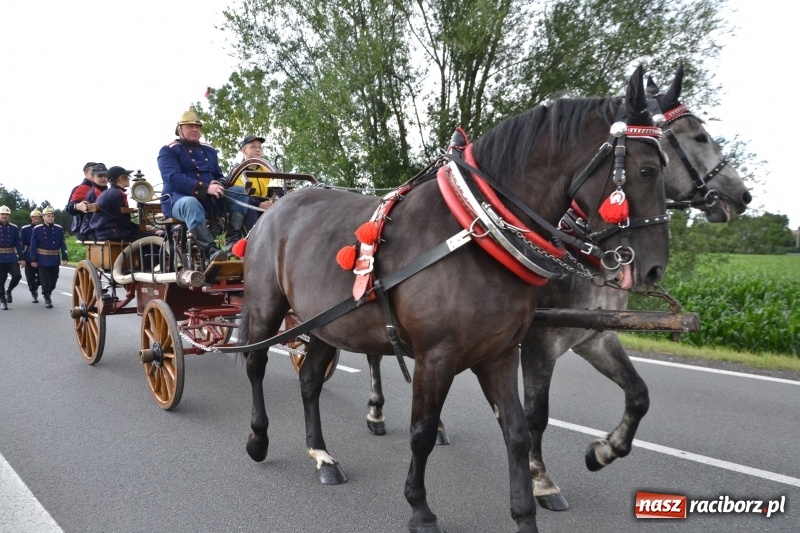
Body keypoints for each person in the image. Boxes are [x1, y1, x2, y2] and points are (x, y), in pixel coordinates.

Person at [157, 108, 226, 261]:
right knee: (191, 203)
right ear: (179, 130)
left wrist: (219, 184)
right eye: (189, 126)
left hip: (209, 200)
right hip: (177, 199)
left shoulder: (209, 151)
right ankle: (210, 251)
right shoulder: (168, 150)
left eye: (197, 126)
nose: (195, 129)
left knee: (239, 192)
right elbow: (173, 178)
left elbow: (219, 176)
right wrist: (206, 187)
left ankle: (233, 244)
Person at [223, 134, 283, 251]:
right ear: (244, 150)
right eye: (253, 147)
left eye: (260, 147)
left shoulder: (268, 169)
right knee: (250, 210)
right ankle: (254, 247)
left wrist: (274, 199)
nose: (257, 149)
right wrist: (258, 204)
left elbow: (279, 189)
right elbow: (241, 196)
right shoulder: (238, 171)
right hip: (249, 205)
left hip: (269, 204)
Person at [90, 166, 157, 241]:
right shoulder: (118, 194)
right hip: (111, 232)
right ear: (120, 179)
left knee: (146, 234)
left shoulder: (109, 192)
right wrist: (139, 228)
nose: (129, 179)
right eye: (127, 177)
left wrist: (140, 228)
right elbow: (122, 221)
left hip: (103, 232)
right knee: (153, 237)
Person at [29, 207, 68, 309]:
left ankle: (47, 291)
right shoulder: (37, 229)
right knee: (45, 279)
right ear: (43, 217)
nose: (51, 218)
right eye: (48, 216)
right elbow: (33, 245)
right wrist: (33, 258)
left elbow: (63, 243)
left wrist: (65, 255)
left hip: (54, 257)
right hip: (42, 258)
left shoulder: (58, 228)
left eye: (52, 216)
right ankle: (47, 298)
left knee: (54, 279)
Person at [67, 162, 106, 238]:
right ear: (85, 174)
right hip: (87, 229)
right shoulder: (82, 188)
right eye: (93, 173)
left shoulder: (103, 189)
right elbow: (69, 208)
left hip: (99, 225)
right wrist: (78, 206)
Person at [0, 205, 25, 310]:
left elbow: (18, 244)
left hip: (11, 256)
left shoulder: (14, 228)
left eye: (6, 214)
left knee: (17, 275)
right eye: (2, 214)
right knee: (0, 280)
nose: (5, 216)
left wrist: (22, 258)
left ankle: (9, 290)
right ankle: (3, 300)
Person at [77, 164, 109, 241]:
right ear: (93, 177)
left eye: (105, 176)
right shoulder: (93, 193)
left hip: (98, 227)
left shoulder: (105, 191)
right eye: (100, 176)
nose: (103, 178)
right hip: (90, 229)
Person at [20, 208, 42, 303]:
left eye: (38, 218)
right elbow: (21, 243)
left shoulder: (44, 228)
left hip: (41, 255)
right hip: (28, 254)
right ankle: (34, 293)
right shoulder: (25, 229)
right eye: (35, 218)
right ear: (31, 219)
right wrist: (21, 257)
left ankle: (37, 284)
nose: (36, 220)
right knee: (30, 276)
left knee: (43, 276)